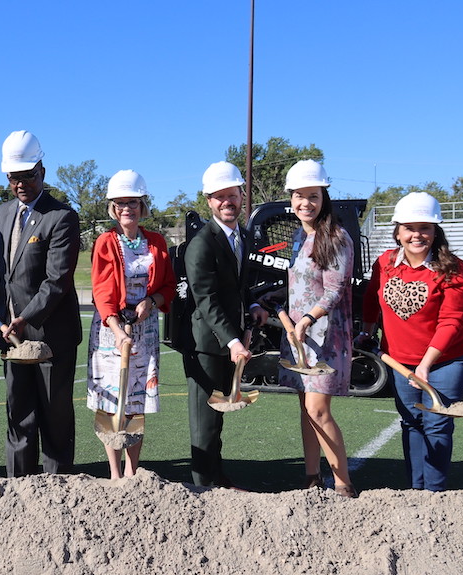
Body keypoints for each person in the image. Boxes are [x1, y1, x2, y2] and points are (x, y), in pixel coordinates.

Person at [357, 192, 463, 491]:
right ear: (398, 232)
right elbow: (372, 299)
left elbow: (451, 321)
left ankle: (434, 494)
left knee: (436, 424)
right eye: (409, 228)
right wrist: (368, 331)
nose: (417, 235)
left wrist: (425, 365)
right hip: (399, 358)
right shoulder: (385, 263)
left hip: (445, 360)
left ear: (436, 231)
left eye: (425, 227)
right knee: (411, 422)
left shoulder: (453, 268)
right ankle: (416, 491)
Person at [0, 130, 82, 477]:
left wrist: (23, 318)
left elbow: (56, 281)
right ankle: (17, 493)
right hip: (12, 338)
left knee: (54, 420)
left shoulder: (62, 217)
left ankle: (58, 495)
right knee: (18, 417)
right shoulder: (2, 214)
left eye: (28, 175)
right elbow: (0, 268)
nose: (21, 183)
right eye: (14, 177)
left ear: (42, 170)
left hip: (50, 335)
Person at [180, 161, 268, 488]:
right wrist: (233, 341)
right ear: (209, 201)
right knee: (204, 424)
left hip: (231, 343)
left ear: (241, 195)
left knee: (217, 419)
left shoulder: (243, 236)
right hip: (206, 345)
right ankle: (202, 490)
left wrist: (255, 306)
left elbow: (241, 287)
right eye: (220, 197)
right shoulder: (201, 243)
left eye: (232, 194)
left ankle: (217, 480)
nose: (227, 201)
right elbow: (206, 299)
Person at [88, 170, 176, 479]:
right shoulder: (105, 242)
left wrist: (150, 302)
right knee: (113, 403)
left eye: (133, 202)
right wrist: (117, 329)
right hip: (111, 329)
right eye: (120, 203)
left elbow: (169, 286)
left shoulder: (156, 242)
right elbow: (101, 290)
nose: (127, 208)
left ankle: (132, 471)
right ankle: (114, 473)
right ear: (112, 208)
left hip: (145, 330)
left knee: (136, 403)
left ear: (142, 205)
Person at [277, 160, 356, 498]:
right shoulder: (298, 236)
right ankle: (311, 477)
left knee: (318, 410)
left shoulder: (336, 237)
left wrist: (308, 319)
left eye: (312, 195)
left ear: (324, 197)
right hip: (297, 337)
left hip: (325, 337)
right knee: (305, 409)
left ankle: (343, 484)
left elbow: (335, 291)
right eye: (298, 196)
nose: (305, 203)